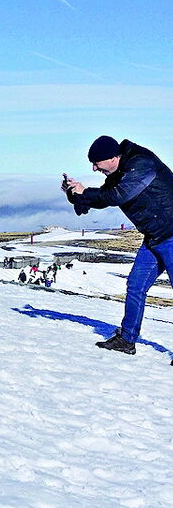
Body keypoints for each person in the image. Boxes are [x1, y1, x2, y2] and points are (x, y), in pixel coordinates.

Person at [64, 135, 173, 358]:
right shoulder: (119, 172)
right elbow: (102, 198)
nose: (94, 168)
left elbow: (119, 195)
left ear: (113, 157)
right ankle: (127, 340)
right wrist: (74, 194)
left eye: (97, 163)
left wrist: (85, 193)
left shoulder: (141, 163)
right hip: (154, 238)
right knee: (135, 286)